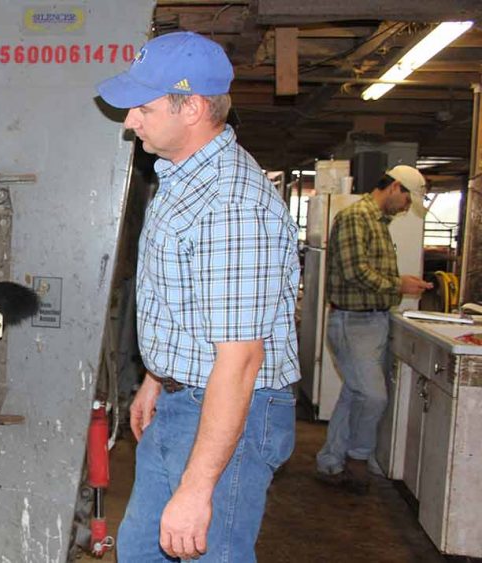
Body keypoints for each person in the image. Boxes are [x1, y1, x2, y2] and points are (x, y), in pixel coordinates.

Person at [96, 31, 301, 561]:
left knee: (210, 549)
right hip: (183, 400)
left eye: (142, 107)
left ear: (192, 109)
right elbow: (181, 301)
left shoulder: (231, 204)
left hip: (229, 409)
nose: (129, 121)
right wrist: (156, 380)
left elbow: (241, 359)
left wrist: (197, 487)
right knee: (141, 550)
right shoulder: (182, 180)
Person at [315, 165, 432, 492]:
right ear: (395, 186)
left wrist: (398, 286)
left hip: (371, 320)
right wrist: (400, 285)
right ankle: (357, 458)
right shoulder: (357, 217)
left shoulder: (378, 222)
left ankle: (331, 461)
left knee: (354, 394)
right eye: (407, 201)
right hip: (355, 321)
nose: (407, 209)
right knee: (373, 396)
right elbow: (356, 272)